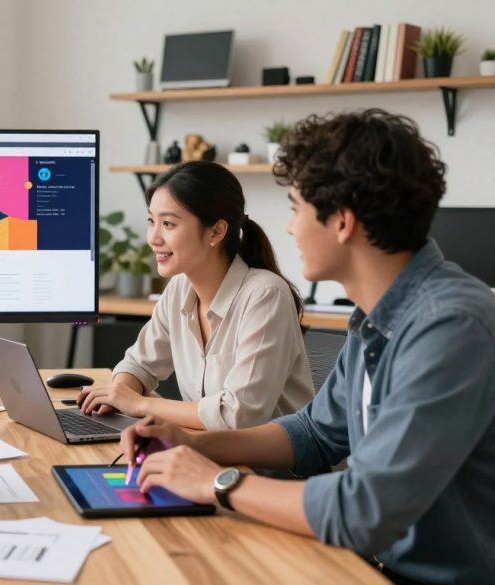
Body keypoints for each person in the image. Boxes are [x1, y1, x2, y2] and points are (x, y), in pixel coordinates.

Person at [121, 109, 495, 584]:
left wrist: (215, 481)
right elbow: (313, 434)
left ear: (341, 221)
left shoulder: (449, 327)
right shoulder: (376, 316)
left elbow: (365, 509)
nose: (290, 228)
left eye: (296, 208)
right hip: (370, 564)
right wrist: (192, 444)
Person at [79, 160, 314, 431]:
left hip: (270, 469)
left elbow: (238, 416)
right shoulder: (179, 289)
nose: (153, 238)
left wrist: (139, 404)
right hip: (207, 455)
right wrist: (116, 396)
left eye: (168, 224)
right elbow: (139, 365)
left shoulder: (265, 295)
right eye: (151, 221)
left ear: (216, 231)